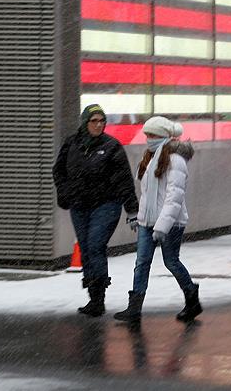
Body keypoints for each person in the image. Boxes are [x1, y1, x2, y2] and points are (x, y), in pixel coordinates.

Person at [113, 116, 202, 323]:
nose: (148, 139)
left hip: (170, 223)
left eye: (152, 135)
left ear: (163, 136)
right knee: (141, 262)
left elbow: (174, 196)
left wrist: (162, 226)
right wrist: (140, 217)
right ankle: (134, 308)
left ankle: (192, 299)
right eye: (147, 135)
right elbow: (147, 194)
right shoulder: (150, 157)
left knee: (171, 261)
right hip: (148, 221)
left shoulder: (175, 159)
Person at [53, 104, 138, 317]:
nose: (99, 124)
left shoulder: (111, 147)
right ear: (85, 122)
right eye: (94, 121)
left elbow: (124, 180)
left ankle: (99, 296)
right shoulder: (72, 144)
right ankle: (93, 296)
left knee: (95, 245)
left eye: (102, 121)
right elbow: (59, 170)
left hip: (106, 204)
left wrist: (132, 209)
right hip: (80, 205)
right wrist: (65, 194)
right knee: (86, 248)